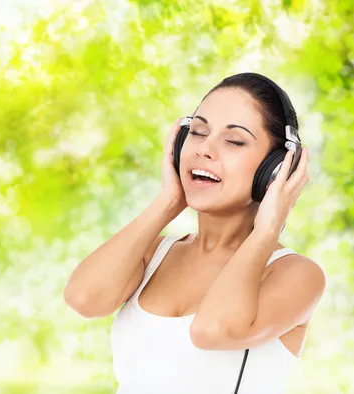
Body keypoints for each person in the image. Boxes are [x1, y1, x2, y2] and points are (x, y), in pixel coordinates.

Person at [64, 72, 327, 393]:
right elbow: (84, 300)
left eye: (234, 141)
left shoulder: (297, 274)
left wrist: (267, 228)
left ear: (275, 168)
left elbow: (213, 330)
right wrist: (168, 201)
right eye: (198, 132)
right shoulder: (153, 252)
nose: (204, 149)